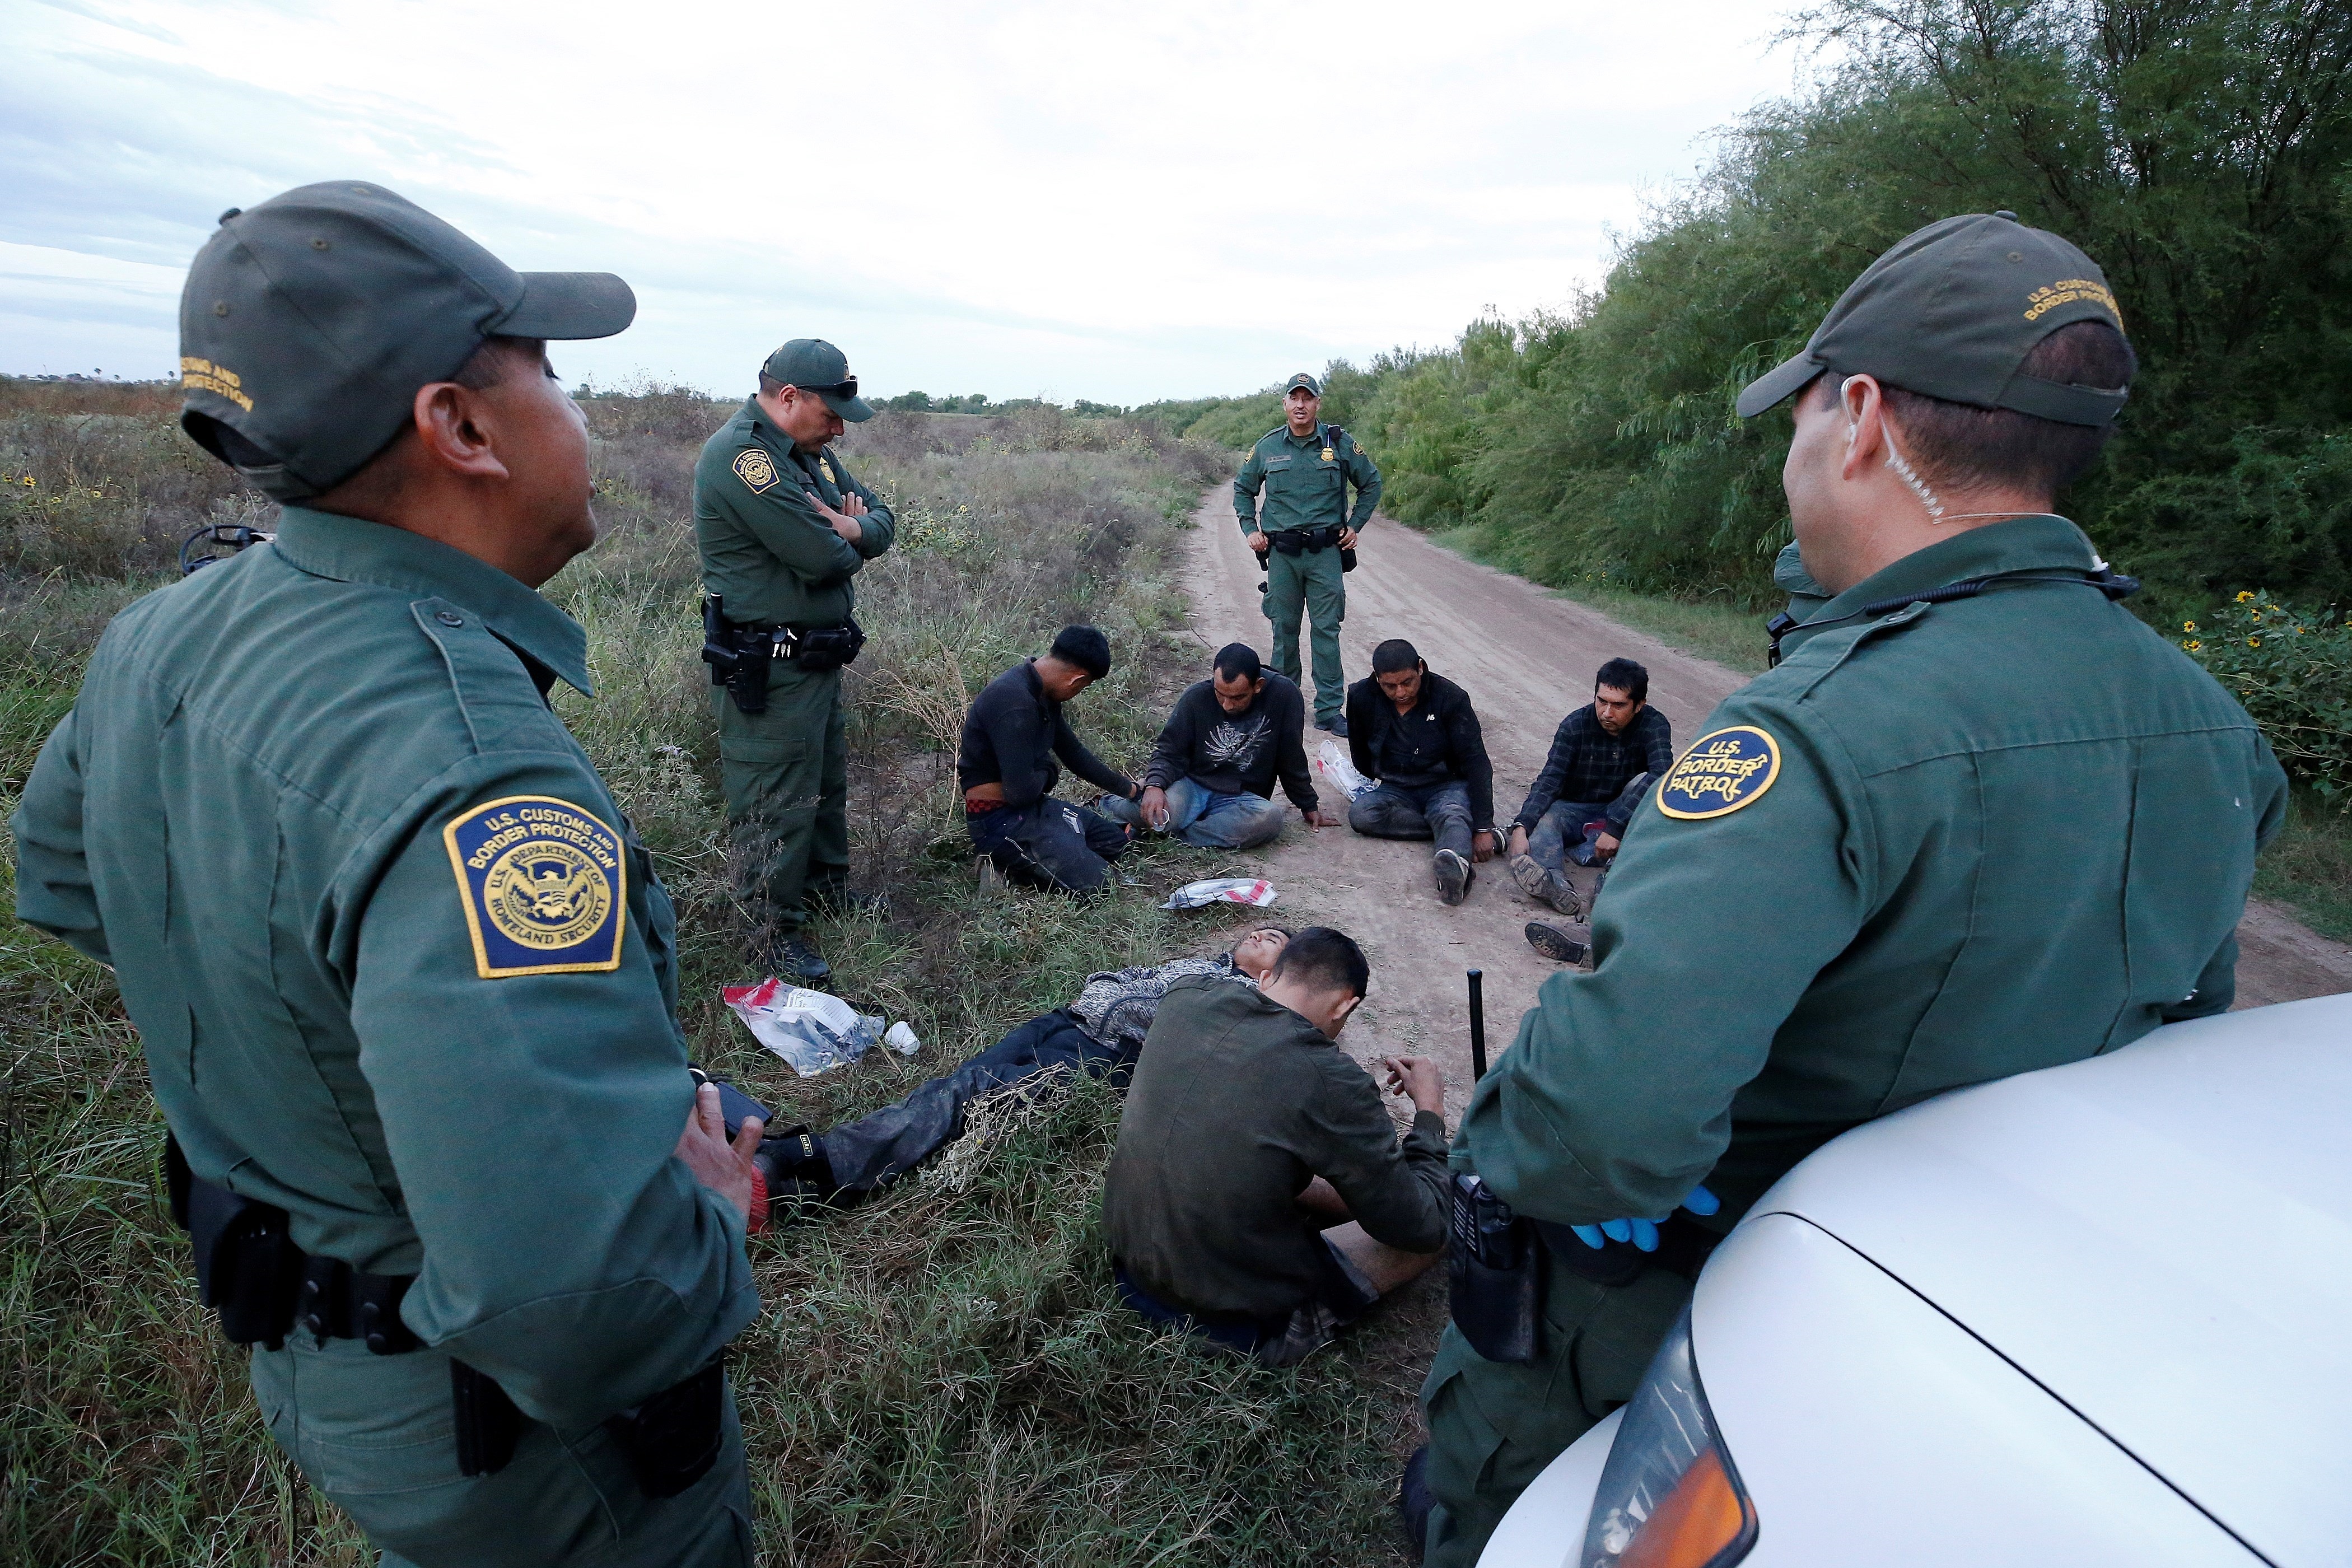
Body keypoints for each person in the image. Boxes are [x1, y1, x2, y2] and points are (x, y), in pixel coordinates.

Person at [1408, 212, 2289, 1567]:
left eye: (1800, 420)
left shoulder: (1809, 738)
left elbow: (1603, 1126)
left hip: (1706, 1306)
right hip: (1979, 1316)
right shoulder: (2214, 728)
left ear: (1861, 416)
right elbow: (2183, 1034)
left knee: (1495, 1502)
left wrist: (1491, 1142)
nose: (1794, 458)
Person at [11, 183, 771, 1566]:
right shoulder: (474, 770)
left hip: (325, 1363)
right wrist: (713, 1223)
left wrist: (304, 1082)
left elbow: (68, 880)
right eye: (552, 371)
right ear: (461, 427)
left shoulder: (161, 634)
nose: (581, 414)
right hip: (523, 1450)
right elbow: (575, 1308)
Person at [1102, 928, 1449, 1367]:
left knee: (1263, 1155)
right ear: (1346, 1004)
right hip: (1227, 1324)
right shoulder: (1333, 1083)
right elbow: (1422, 1227)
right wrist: (1430, 1114)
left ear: (1267, 978)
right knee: (1446, 1210)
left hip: (1129, 1270)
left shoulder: (1186, 997)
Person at [759, 927, 1293, 1200]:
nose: (1259, 936)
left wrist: (1115, 1004)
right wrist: (1104, 995)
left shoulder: (1244, 1002)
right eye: (1260, 930)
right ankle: (814, 1165)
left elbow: (1157, 1020)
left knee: (971, 1103)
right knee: (960, 1084)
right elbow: (1126, 977)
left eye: (1275, 942)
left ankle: (820, 1165)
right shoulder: (1201, 965)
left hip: (1104, 1057)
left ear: (1285, 972)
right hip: (1066, 1020)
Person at [696, 338, 895, 984]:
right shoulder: (744, 459)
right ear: (788, 397)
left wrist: (852, 527)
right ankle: (769, 929)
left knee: (824, 783)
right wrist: (845, 536)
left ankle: (824, 892)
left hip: (814, 657)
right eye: (831, 412)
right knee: (772, 798)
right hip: (767, 663)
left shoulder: (810, 457)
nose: (839, 427)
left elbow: (884, 522)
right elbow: (823, 559)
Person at [1234, 372, 1382, 734]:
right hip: (1282, 555)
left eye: (1308, 398)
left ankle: (1330, 711)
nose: (1301, 405)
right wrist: (1251, 529)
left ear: (1318, 403)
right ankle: (1284, 706)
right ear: (1285, 403)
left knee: (1326, 631)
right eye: (1294, 398)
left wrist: (1355, 525)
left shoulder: (1339, 442)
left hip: (1325, 553)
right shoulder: (1268, 447)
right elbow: (1243, 489)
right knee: (1284, 630)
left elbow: (1372, 483)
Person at [1505, 657, 1674, 963]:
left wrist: (1616, 827)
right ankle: (1555, 885)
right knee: (1548, 818)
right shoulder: (1575, 725)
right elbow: (1549, 780)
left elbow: (1663, 775)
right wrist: (1521, 826)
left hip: (1622, 812)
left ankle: (1605, 899)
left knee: (1645, 784)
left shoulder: (1654, 724)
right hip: (1577, 811)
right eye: (1602, 701)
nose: (1607, 713)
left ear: (1639, 705)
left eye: (1619, 705)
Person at [959, 624, 1144, 894]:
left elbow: (1076, 755)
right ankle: (1000, 863)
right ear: (1076, 680)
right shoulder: (1015, 704)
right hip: (998, 820)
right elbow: (1019, 793)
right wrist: (1050, 770)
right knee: (1102, 886)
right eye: (1085, 686)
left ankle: (1046, 852)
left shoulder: (1041, 692)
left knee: (1116, 843)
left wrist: (1133, 792)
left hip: (1034, 807)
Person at [1098, 642, 1327, 850]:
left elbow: (1291, 755)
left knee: (1270, 819)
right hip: (1192, 784)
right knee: (1160, 810)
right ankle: (1109, 806)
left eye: (1238, 698)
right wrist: (1155, 786)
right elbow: (1169, 751)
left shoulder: (1284, 696)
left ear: (1258, 686)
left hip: (1240, 796)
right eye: (1220, 694)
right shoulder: (1196, 697)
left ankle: (1173, 833)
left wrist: (1307, 803)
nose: (1227, 705)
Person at [1344, 639, 1499, 906]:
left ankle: (1456, 870)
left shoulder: (1450, 698)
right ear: (1377, 678)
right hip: (1396, 786)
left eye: (1407, 682)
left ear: (1421, 668)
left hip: (1445, 784)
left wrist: (1484, 826)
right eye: (1390, 686)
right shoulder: (1361, 696)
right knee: (1362, 814)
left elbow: (1477, 762)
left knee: (1450, 812)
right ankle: (1454, 829)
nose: (1401, 692)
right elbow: (1359, 749)